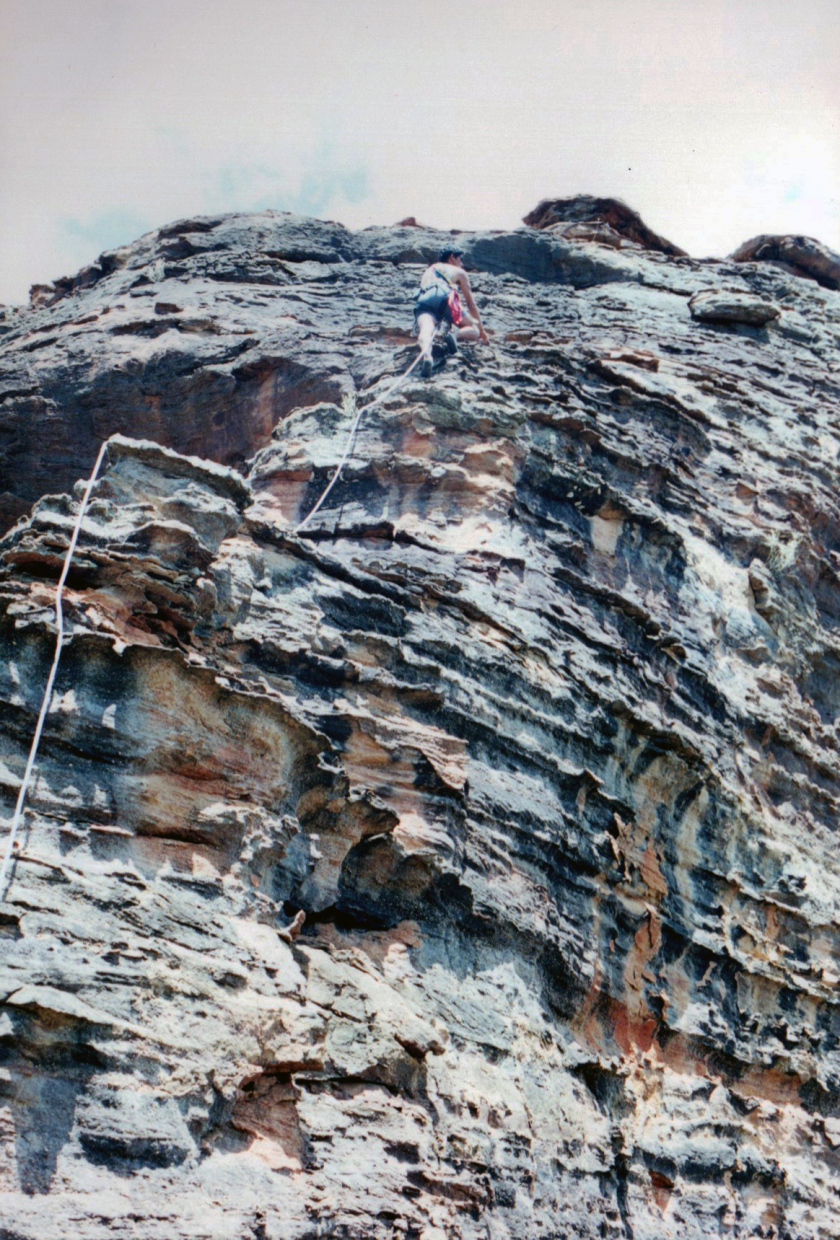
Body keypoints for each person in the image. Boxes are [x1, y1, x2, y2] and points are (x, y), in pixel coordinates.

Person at [414, 247, 489, 378]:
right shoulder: (459, 271)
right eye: (460, 259)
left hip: (424, 298)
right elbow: (471, 304)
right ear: (452, 257)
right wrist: (482, 332)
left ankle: (427, 356)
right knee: (473, 329)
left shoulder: (429, 269)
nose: (462, 263)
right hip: (444, 295)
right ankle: (453, 336)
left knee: (426, 330)